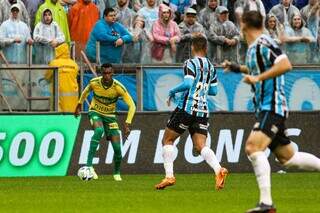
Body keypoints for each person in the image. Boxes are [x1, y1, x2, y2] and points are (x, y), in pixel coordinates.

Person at [222, 11, 320, 213]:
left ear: (244, 25)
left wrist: (258, 79)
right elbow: (257, 70)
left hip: (272, 106)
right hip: (265, 108)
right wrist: (236, 68)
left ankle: (266, 204)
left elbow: (285, 64)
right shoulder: (252, 49)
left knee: (252, 147)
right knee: (288, 159)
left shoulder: (263, 42)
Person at [155, 34, 228, 190]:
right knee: (201, 146)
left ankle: (169, 176)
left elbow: (188, 83)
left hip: (187, 107)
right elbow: (214, 91)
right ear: (206, 48)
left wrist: (173, 90)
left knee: (167, 140)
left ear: (192, 47)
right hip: (202, 110)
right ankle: (218, 170)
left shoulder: (190, 63)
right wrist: (201, 89)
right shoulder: (211, 66)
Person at [74, 63, 136, 181]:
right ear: (101, 73)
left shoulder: (118, 87)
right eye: (104, 73)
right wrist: (79, 104)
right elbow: (86, 91)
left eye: (109, 73)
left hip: (110, 117)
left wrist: (127, 124)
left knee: (117, 149)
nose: (107, 76)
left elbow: (132, 105)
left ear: (113, 73)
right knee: (99, 130)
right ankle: (89, 166)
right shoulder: (95, 83)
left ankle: (116, 173)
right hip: (95, 112)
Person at [45, 43, 79, 112]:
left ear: (58, 50)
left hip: (58, 99)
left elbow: (47, 77)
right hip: (72, 100)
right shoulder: (74, 64)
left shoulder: (54, 63)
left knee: (58, 118)